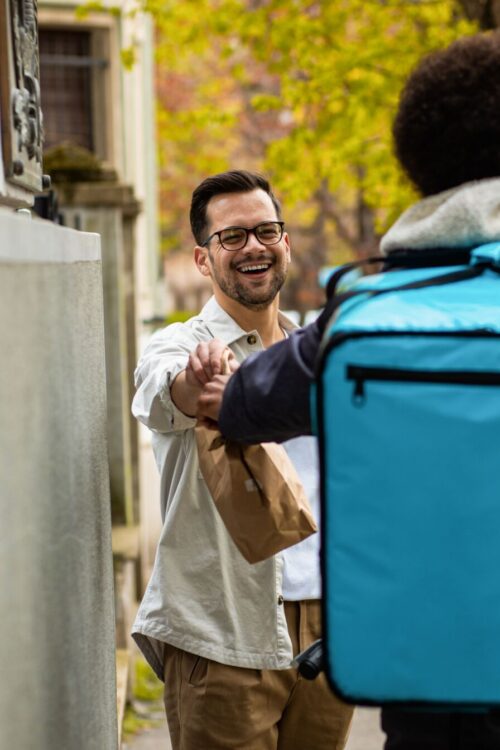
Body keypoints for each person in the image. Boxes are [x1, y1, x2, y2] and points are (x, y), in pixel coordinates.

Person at [195, 33, 500, 750]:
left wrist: (219, 391)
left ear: (420, 162)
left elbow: (245, 404)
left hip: (428, 671)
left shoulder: (363, 316)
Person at [131, 169, 353, 750]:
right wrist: (198, 385)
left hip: (330, 627)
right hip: (222, 630)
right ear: (204, 260)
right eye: (232, 237)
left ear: (285, 243)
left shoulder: (319, 351)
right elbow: (163, 393)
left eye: (266, 231)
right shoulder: (178, 345)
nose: (253, 245)